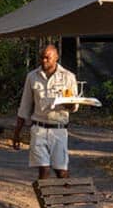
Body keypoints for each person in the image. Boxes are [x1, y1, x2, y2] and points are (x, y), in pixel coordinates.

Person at [11, 44, 79, 180]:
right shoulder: (32, 77)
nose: (44, 61)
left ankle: (68, 199)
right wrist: (16, 133)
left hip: (59, 130)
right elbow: (25, 106)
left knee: (61, 171)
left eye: (47, 58)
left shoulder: (68, 77)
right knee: (44, 169)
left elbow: (74, 106)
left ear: (56, 57)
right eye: (41, 58)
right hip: (39, 129)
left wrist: (68, 103)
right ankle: (46, 201)